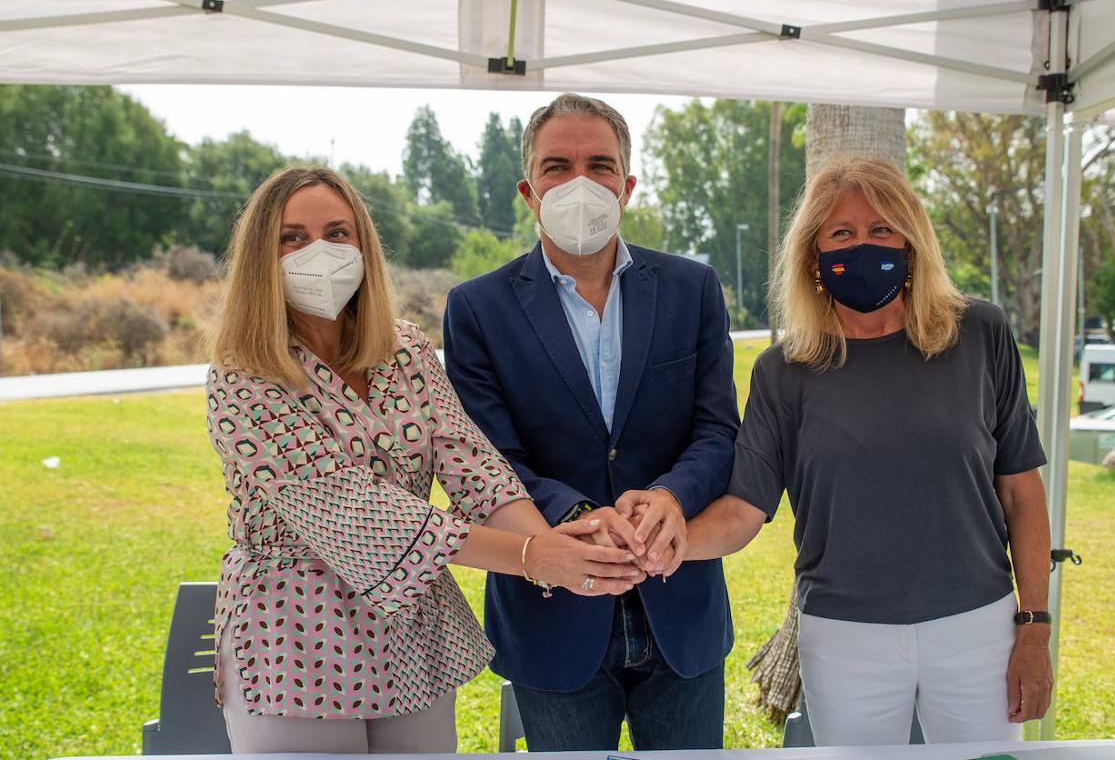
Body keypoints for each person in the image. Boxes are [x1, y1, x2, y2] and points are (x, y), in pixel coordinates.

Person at [204, 166, 642, 754]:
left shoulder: (402, 348)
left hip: (409, 639)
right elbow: (359, 514)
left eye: (338, 233)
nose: (320, 252)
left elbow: (475, 468)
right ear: (261, 254)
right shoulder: (242, 374)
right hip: (296, 641)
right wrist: (537, 557)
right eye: (293, 237)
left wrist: (565, 547)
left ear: (363, 245)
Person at [676, 157, 1054, 746]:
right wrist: (657, 548)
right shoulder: (783, 372)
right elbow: (741, 512)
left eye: (882, 230)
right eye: (842, 234)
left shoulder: (980, 334)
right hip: (843, 636)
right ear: (814, 256)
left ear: (911, 240)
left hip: (978, 626)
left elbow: (1022, 492)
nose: (864, 245)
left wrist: (1034, 626)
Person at [442, 93, 740, 751]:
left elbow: (718, 431)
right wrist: (575, 512)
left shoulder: (691, 289)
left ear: (627, 186)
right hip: (552, 620)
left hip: (680, 610)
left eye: (600, 164)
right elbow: (485, 460)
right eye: (557, 166)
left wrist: (672, 495)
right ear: (529, 190)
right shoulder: (477, 308)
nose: (580, 182)